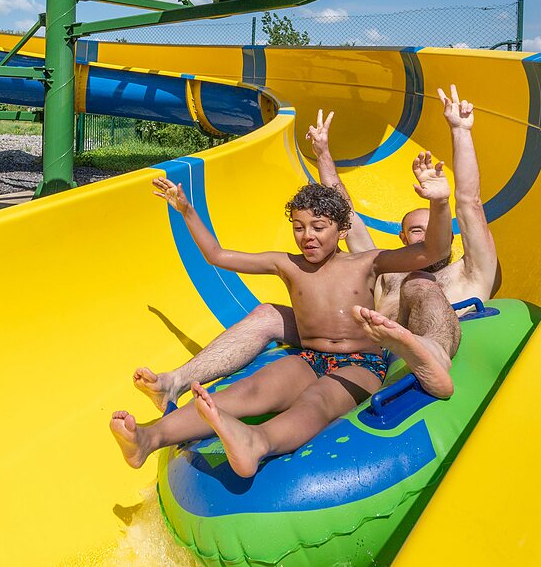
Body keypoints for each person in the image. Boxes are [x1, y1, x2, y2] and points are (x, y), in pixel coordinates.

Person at [132, 85, 497, 405]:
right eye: (413, 231)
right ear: (402, 238)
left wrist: (460, 132)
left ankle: (431, 356)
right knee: (268, 314)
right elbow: (343, 214)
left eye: (430, 229)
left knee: (422, 283)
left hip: (395, 352)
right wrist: (322, 153)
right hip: (348, 338)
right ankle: (177, 380)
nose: (422, 235)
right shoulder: (387, 270)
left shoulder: (468, 273)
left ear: (449, 234)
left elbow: (470, 204)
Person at [110, 159, 452, 478]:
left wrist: (438, 202)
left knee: (315, 401)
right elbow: (216, 255)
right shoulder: (287, 264)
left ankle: (256, 442)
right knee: (249, 389)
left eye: (319, 227)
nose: (308, 236)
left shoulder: (367, 263)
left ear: (343, 230)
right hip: (309, 357)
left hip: (361, 365)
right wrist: (187, 210)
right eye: (299, 227)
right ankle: (149, 438)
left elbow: (432, 251)